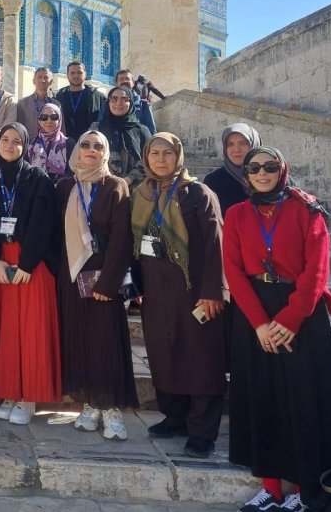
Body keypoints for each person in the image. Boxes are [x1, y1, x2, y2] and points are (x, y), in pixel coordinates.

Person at [224, 148, 331, 512]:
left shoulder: (307, 209)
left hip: (301, 314)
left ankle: (303, 491)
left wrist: (290, 321)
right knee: (262, 397)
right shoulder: (237, 213)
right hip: (255, 313)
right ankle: (271, 487)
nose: (262, 173)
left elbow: (317, 269)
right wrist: (260, 324)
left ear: (282, 169)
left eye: (270, 166)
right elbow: (233, 271)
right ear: (246, 174)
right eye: (254, 167)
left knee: (303, 400)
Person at [131, 132, 226, 459]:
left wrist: (213, 291)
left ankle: (202, 432)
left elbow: (216, 244)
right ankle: (175, 418)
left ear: (178, 156)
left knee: (200, 359)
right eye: (155, 153)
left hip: (194, 291)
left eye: (167, 153)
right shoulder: (142, 193)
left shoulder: (198, 193)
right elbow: (133, 244)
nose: (161, 159)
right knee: (163, 355)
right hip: (156, 291)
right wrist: (135, 288)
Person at [56, 131, 139, 441]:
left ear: (106, 152)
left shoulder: (116, 186)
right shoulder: (65, 187)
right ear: (77, 150)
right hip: (72, 276)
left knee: (106, 342)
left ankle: (111, 408)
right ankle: (90, 404)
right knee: (79, 340)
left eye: (98, 145)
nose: (91, 150)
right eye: (86, 145)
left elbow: (121, 237)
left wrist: (109, 281)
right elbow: (56, 234)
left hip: (103, 277)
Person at [0, 123, 61, 425]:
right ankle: (11, 391)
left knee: (31, 330)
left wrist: (27, 264)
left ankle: (29, 396)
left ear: (25, 146)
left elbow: (44, 224)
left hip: (31, 264)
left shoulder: (37, 178)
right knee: (7, 330)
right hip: (1, 262)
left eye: (17, 141)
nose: (10, 145)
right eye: (5, 139)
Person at [91, 85, 151, 189]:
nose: (118, 103)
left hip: (134, 188)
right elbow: (88, 155)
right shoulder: (96, 128)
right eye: (113, 99)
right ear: (108, 102)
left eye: (124, 99)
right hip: (101, 186)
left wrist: (128, 179)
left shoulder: (142, 130)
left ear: (131, 102)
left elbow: (148, 158)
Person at [203, 123, 262, 215]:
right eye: (230, 144)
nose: (236, 149)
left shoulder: (270, 175)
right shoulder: (214, 181)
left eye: (243, 143)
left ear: (254, 144)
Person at [55, 61, 105, 143]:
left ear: (85, 74)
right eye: (72, 73)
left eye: (79, 72)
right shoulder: (59, 97)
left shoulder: (97, 96)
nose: (76, 75)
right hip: (64, 143)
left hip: (89, 143)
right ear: (67, 75)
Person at [27, 103, 68, 184]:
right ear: (39, 120)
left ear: (59, 120)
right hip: (36, 187)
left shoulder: (68, 143)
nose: (49, 121)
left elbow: (71, 171)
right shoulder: (31, 144)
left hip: (60, 188)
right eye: (44, 118)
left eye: (54, 117)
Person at [16, 67, 58, 135]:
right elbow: (18, 128)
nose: (42, 80)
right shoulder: (23, 103)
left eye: (46, 78)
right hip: (30, 141)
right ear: (33, 81)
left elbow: (61, 128)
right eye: (39, 77)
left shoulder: (56, 105)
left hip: (51, 141)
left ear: (50, 82)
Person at [115, 69, 156, 135]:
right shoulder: (108, 104)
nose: (124, 81)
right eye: (121, 79)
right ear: (116, 84)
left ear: (133, 83)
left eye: (127, 79)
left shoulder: (143, 104)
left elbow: (151, 129)